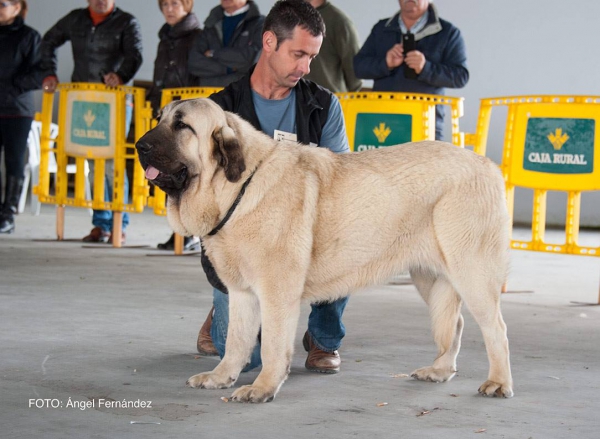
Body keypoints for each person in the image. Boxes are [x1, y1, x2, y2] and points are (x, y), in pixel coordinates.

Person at [197, 0, 350, 374]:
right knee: (244, 361)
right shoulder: (219, 109)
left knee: (349, 230)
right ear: (269, 42)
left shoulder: (324, 106)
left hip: (307, 232)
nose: (306, 67)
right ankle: (225, 305)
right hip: (242, 242)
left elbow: (342, 182)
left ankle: (324, 337)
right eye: (298, 54)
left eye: (311, 57)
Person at [40, 0, 143, 243]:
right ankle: (101, 224)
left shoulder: (127, 22)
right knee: (92, 162)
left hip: (114, 100)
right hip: (82, 99)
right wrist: (49, 73)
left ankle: (119, 224)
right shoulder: (75, 18)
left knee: (112, 164)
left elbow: (135, 54)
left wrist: (120, 76)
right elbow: (48, 41)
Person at [353, 0, 468, 140]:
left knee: (426, 163)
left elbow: (460, 76)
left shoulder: (448, 32)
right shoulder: (381, 28)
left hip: (425, 124)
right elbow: (358, 68)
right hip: (382, 120)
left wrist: (426, 68)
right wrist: (385, 63)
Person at [148, 0, 202, 252]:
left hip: (186, 118)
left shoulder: (197, 37)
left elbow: (197, 74)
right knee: (167, 172)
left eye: (176, 3)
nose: (170, 8)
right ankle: (178, 230)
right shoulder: (165, 38)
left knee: (187, 172)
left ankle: (190, 232)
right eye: (165, 4)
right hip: (166, 115)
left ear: (188, 5)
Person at [0, 0, 42, 234]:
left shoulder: (30, 36)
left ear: (17, 8)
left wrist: (13, 87)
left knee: (14, 162)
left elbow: (39, 71)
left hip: (16, 110)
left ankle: (8, 214)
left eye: (3, 4)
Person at [187, 0, 264, 87]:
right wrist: (229, 69)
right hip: (208, 95)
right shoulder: (210, 25)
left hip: (241, 92)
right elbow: (194, 63)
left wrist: (213, 53)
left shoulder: (260, 24)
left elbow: (253, 59)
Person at [304, 0, 362, 93]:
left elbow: (354, 75)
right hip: (291, 102)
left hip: (329, 101)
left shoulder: (340, 22)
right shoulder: (286, 16)